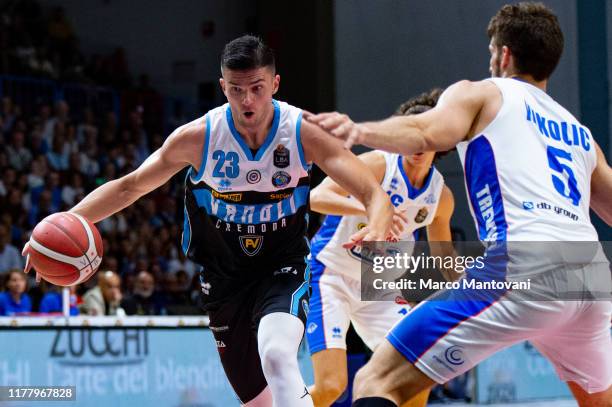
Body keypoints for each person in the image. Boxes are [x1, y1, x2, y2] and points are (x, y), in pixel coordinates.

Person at [23, 35, 393, 406]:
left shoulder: (303, 132)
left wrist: (377, 224)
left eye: (257, 88)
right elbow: (129, 187)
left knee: (278, 356)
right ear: (222, 87)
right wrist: (60, 225)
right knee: (258, 401)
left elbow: (372, 191)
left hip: (282, 267)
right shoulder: (198, 138)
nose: (247, 100)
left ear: (275, 84)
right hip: (223, 277)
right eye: (236, 90)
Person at [307, 3, 612, 406]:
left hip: (521, 265)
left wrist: (359, 129)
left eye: (491, 53)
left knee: (375, 381)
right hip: (589, 277)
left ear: (503, 54)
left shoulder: (483, 92)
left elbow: (425, 129)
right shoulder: (580, 133)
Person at [306, 89, 455, 407]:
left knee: (414, 380)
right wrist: (374, 206)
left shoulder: (440, 196)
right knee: (332, 386)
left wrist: (475, 291)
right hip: (331, 275)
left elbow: (445, 256)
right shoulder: (377, 164)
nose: (416, 146)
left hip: (380, 289)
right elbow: (316, 197)